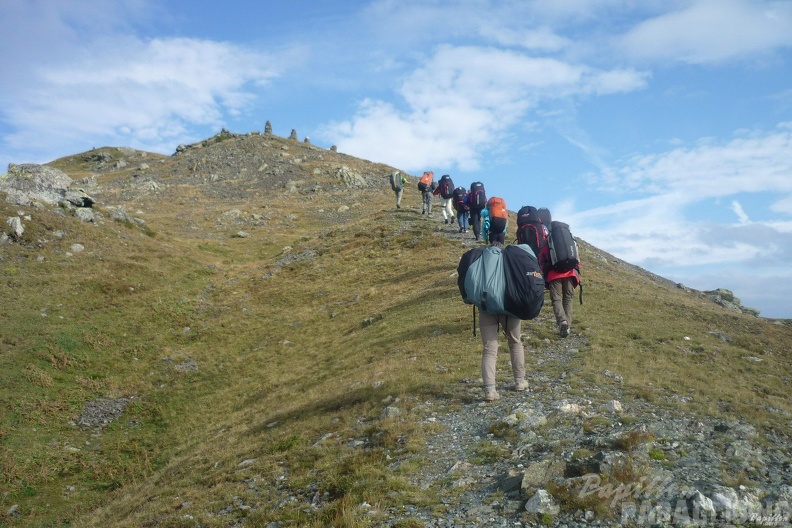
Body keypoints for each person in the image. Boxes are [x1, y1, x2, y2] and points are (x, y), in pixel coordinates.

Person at [479, 239, 530, 402]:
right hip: (509, 307)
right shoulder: (511, 260)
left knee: (489, 348)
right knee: (515, 342)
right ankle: (520, 381)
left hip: (486, 308)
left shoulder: (483, 261)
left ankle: (490, 390)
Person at [538, 224, 581, 337]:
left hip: (554, 274)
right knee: (568, 299)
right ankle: (568, 324)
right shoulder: (570, 240)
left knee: (556, 299)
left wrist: (544, 272)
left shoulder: (548, 241)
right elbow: (577, 259)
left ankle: (562, 322)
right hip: (570, 273)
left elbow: (542, 259)